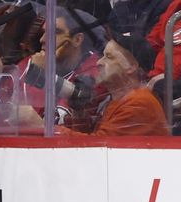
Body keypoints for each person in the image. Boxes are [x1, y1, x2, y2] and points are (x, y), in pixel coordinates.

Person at [20, 34, 169, 136]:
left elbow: (99, 149)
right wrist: (80, 115)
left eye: (109, 57)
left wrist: (43, 128)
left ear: (131, 66)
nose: (99, 62)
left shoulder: (139, 103)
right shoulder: (117, 100)